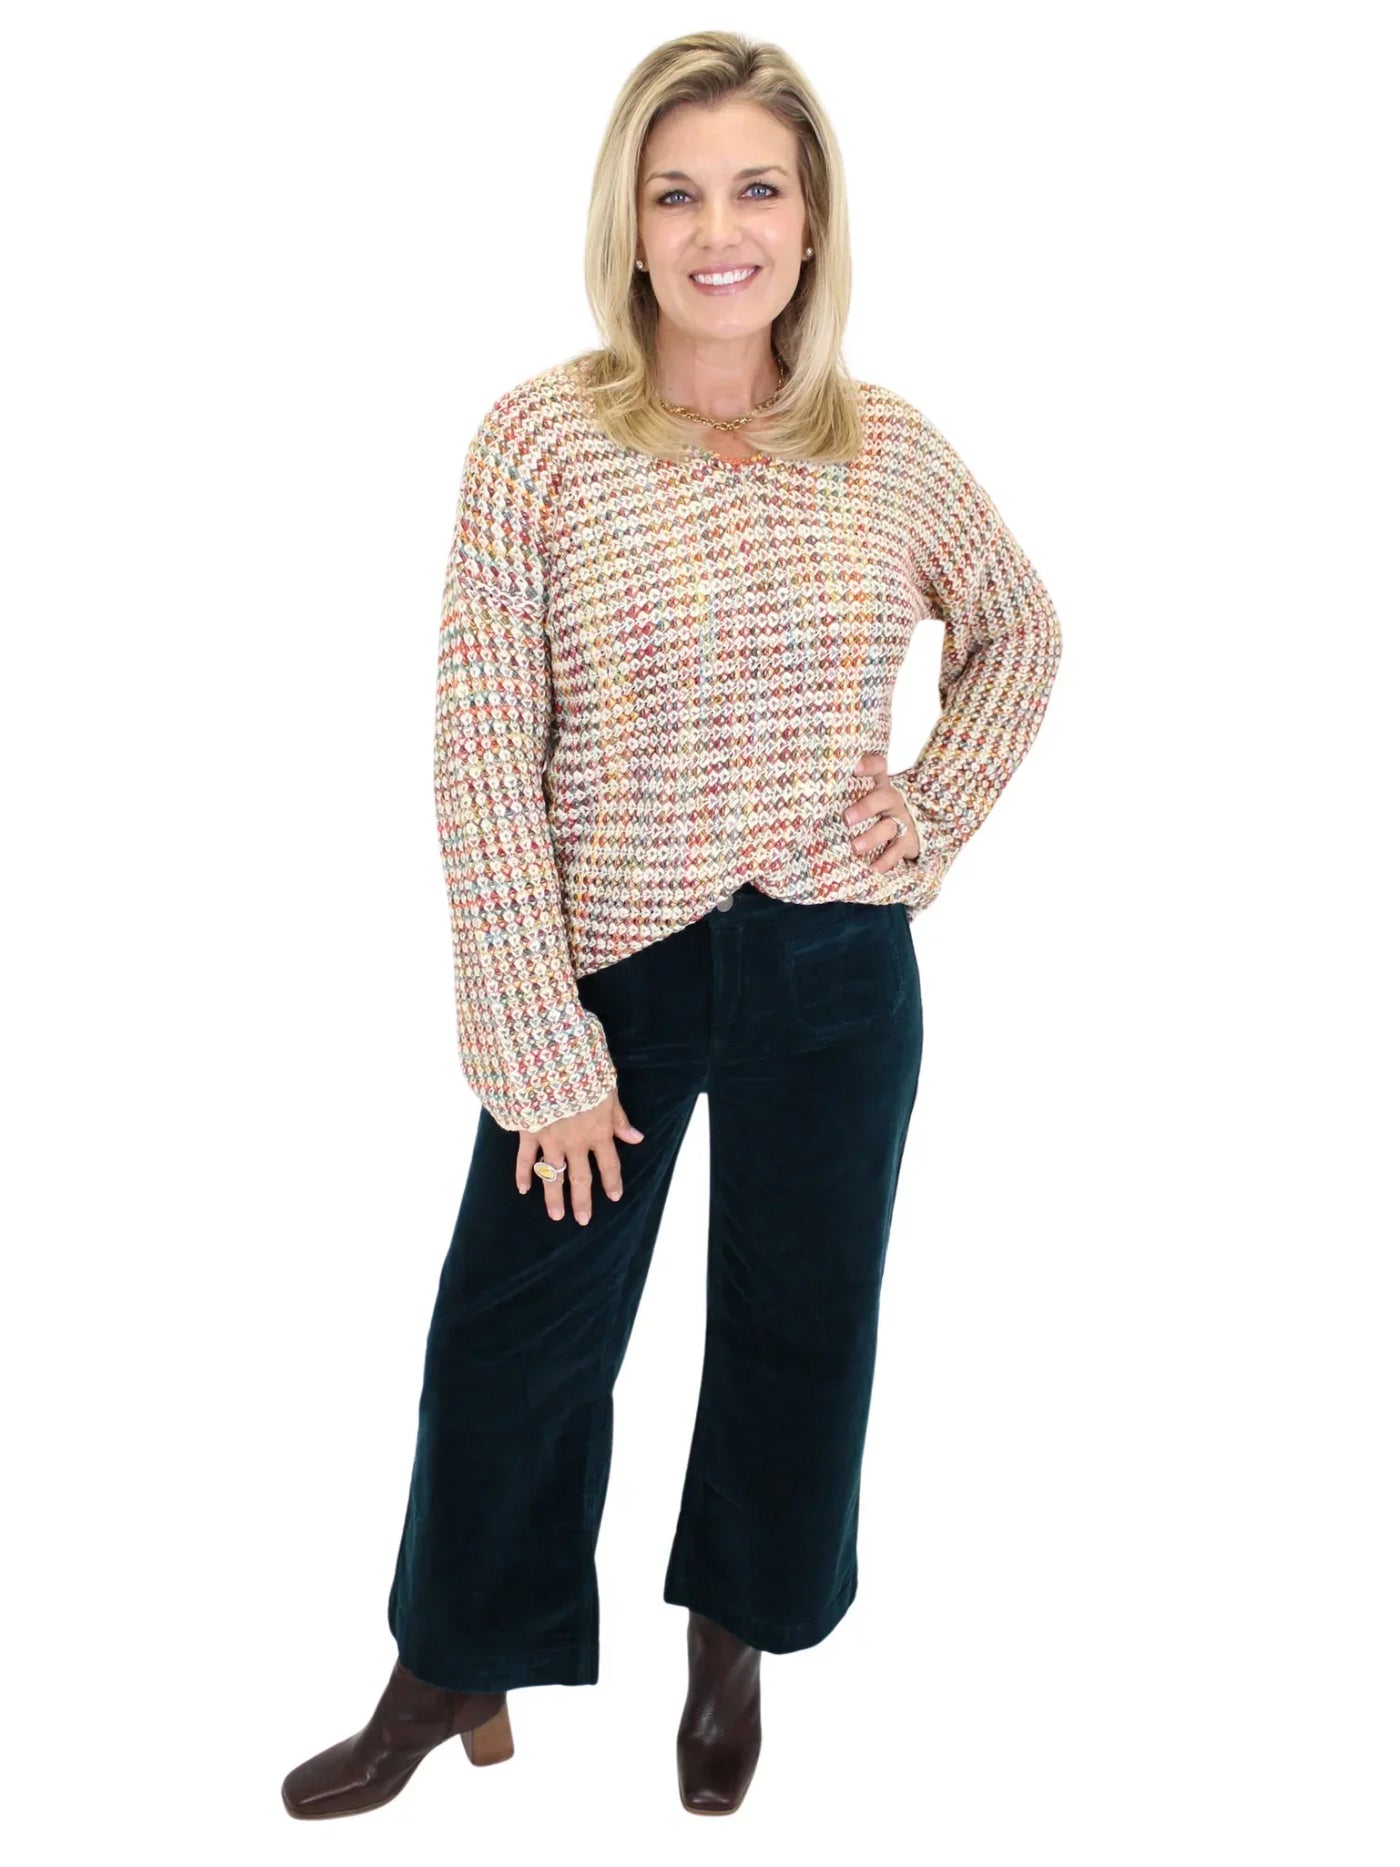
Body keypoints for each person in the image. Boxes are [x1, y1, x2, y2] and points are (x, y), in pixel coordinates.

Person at [281, 28, 1061, 1823]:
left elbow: (1020, 629)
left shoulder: (885, 447)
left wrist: (933, 810)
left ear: (813, 219)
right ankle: (454, 1662)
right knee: (512, 1337)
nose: (722, 231)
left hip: (834, 968)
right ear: (630, 223)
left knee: (803, 1326)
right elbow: (483, 752)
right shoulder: (542, 441)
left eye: (758, 190)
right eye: (679, 192)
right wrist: (538, 1044)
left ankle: (736, 1643)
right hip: (612, 977)